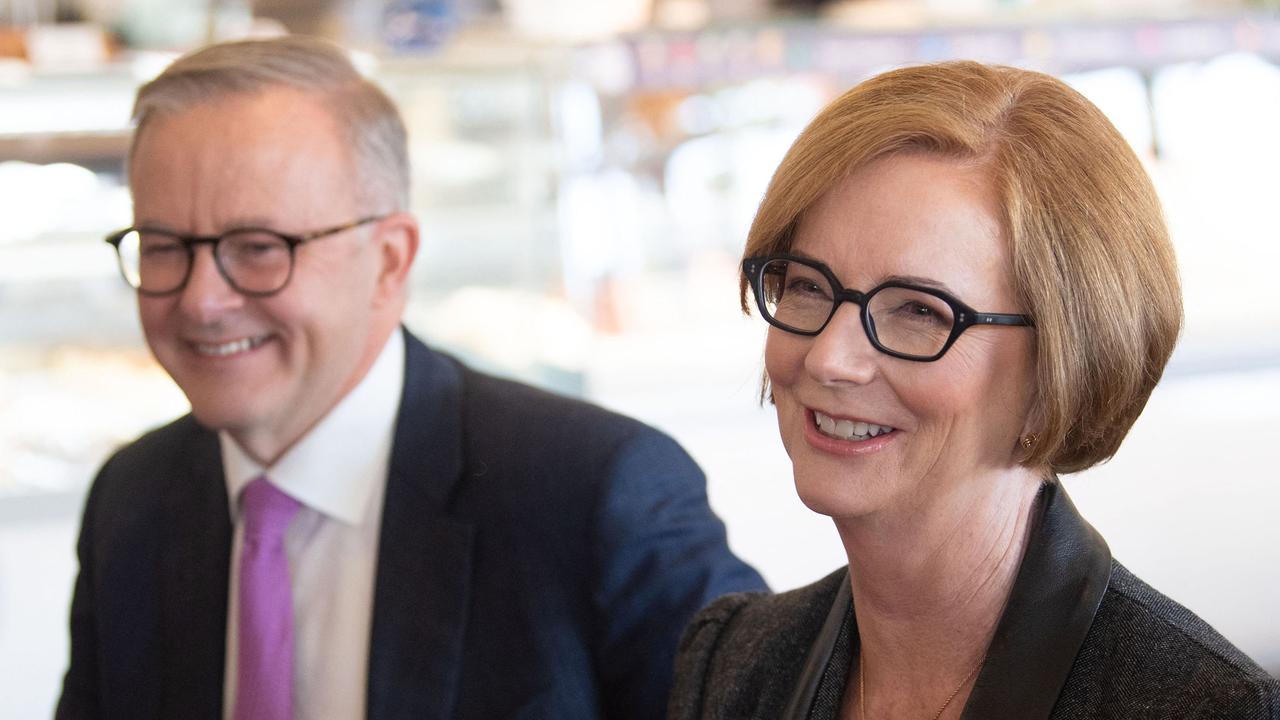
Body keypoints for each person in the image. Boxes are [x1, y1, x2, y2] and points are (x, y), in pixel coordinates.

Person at [56, 35, 765, 720]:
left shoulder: (594, 492)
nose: (201, 301)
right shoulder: (134, 499)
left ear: (390, 260)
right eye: (164, 246)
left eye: (258, 248)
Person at [668, 61, 1280, 719]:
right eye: (809, 285)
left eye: (919, 310)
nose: (830, 358)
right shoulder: (733, 661)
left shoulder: (1204, 708)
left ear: (1058, 369)